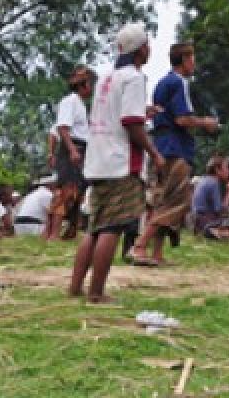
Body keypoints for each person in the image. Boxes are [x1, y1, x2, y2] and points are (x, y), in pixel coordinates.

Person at [68, 22, 164, 304]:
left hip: (97, 160)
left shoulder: (106, 79)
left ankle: (76, 287)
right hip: (120, 163)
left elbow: (116, 115)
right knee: (112, 227)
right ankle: (96, 292)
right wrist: (155, 153)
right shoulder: (135, 78)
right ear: (141, 49)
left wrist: (143, 113)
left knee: (94, 228)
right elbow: (131, 124)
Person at [128, 42, 219, 266]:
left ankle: (156, 253)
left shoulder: (161, 83)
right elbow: (182, 119)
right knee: (177, 200)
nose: (194, 64)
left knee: (163, 198)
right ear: (186, 60)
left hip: (160, 144)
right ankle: (140, 245)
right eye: (193, 58)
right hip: (175, 147)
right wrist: (205, 122)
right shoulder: (179, 82)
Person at [47, 66, 96, 241]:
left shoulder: (80, 105)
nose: (91, 88)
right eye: (90, 84)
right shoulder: (70, 101)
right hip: (72, 148)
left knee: (79, 191)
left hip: (81, 148)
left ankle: (71, 231)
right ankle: (52, 234)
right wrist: (72, 149)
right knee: (66, 191)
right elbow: (61, 128)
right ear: (83, 86)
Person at [192, 155, 229, 237]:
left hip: (195, 219)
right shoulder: (214, 183)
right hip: (207, 222)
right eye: (226, 168)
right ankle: (211, 231)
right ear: (217, 170)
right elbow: (219, 210)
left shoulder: (203, 179)